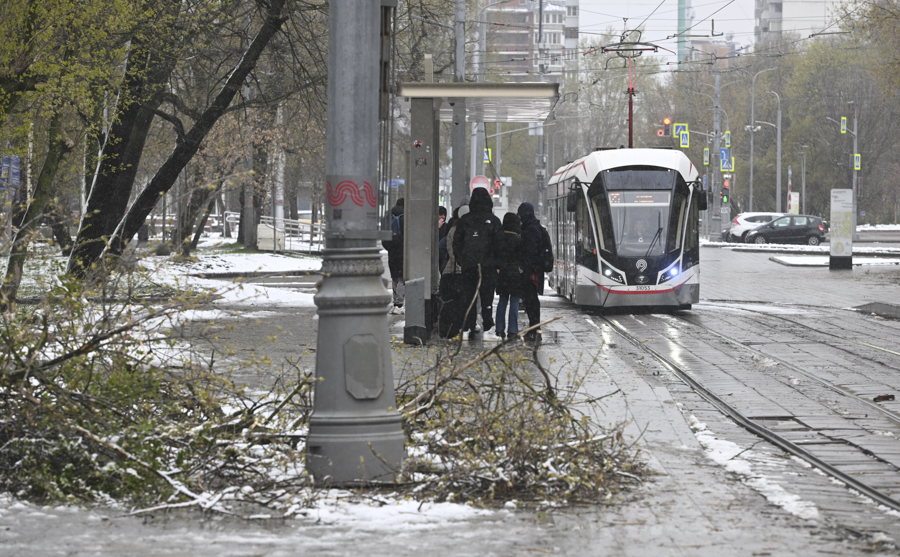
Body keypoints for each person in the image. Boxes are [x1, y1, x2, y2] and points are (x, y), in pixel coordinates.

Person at [453, 188, 501, 337]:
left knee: (469, 296)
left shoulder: (465, 220)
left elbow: (457, 243)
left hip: (469, 266)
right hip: (488, 267)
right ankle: (487, 323)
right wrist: (496, 263)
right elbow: (500, 245)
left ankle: (469, 324)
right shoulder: (493, 221)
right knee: (487, 296)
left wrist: (462, 260)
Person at [493, 212, 524, 340]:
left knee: (502, 301)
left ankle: (499, 328)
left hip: (502, 273)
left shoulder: (498, 237)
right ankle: (513, 329)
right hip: (515, 274)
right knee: (515, 301)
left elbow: (494, 255)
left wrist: (498, 267)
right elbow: (522, 257)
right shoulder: (518, 239)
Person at [438, 206, 468, 338]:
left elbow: (449, 250)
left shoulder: (452, 230)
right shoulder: (467, 230)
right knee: (460, 303)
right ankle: (458, 328)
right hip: (460, 273)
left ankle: (447, 330)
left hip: (449, 272)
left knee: (449, 303)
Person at [517, 202, 543, 342]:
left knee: (530, 301)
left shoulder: (530, 229)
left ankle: (534, 330)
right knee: (531, 301)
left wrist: (525, 269)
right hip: (533, 270)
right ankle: (535, 329)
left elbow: (530, 251)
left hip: (530, 271)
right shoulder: (534, 227)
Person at [383, 198, 405, 314]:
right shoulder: (404, 217)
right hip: (402, 251)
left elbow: (384, 238)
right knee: (402, 276)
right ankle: (399, 303)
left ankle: (396, 301)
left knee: (395, 277)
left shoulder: (388, 216)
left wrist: (390, 247)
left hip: (392, 251)